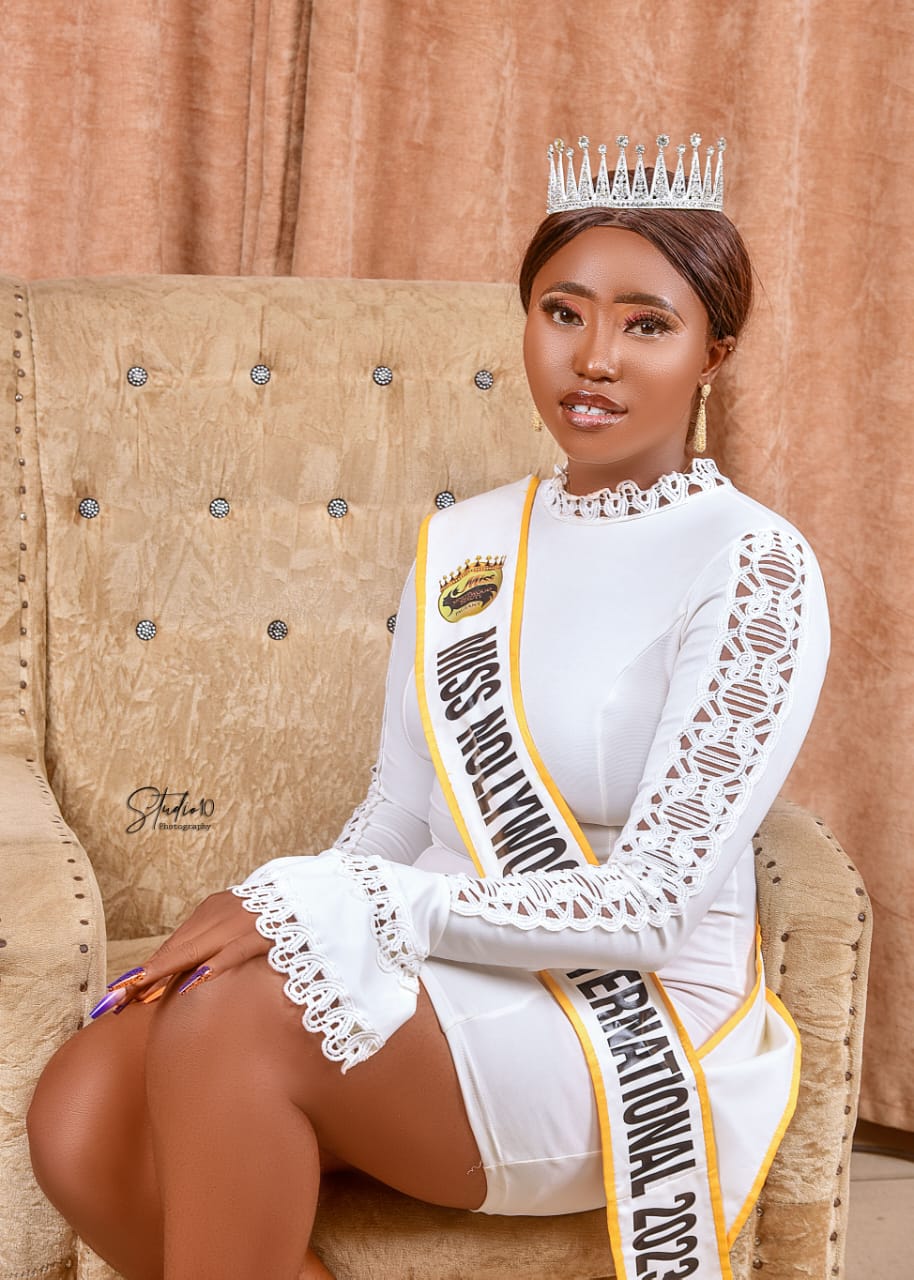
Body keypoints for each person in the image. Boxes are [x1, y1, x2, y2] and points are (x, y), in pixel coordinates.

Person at [26, 134, 830, 1280]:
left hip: (624, 1019)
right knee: (84, 1101)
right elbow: (400, 810)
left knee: (232, 1024)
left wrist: (336, 903)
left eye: (645, 323)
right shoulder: (465, 542)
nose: (593, 358)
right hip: (437, 962)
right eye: (562, 312)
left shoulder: (751, 563)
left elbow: (650, 908)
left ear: (714, 351)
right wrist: (292, 905)